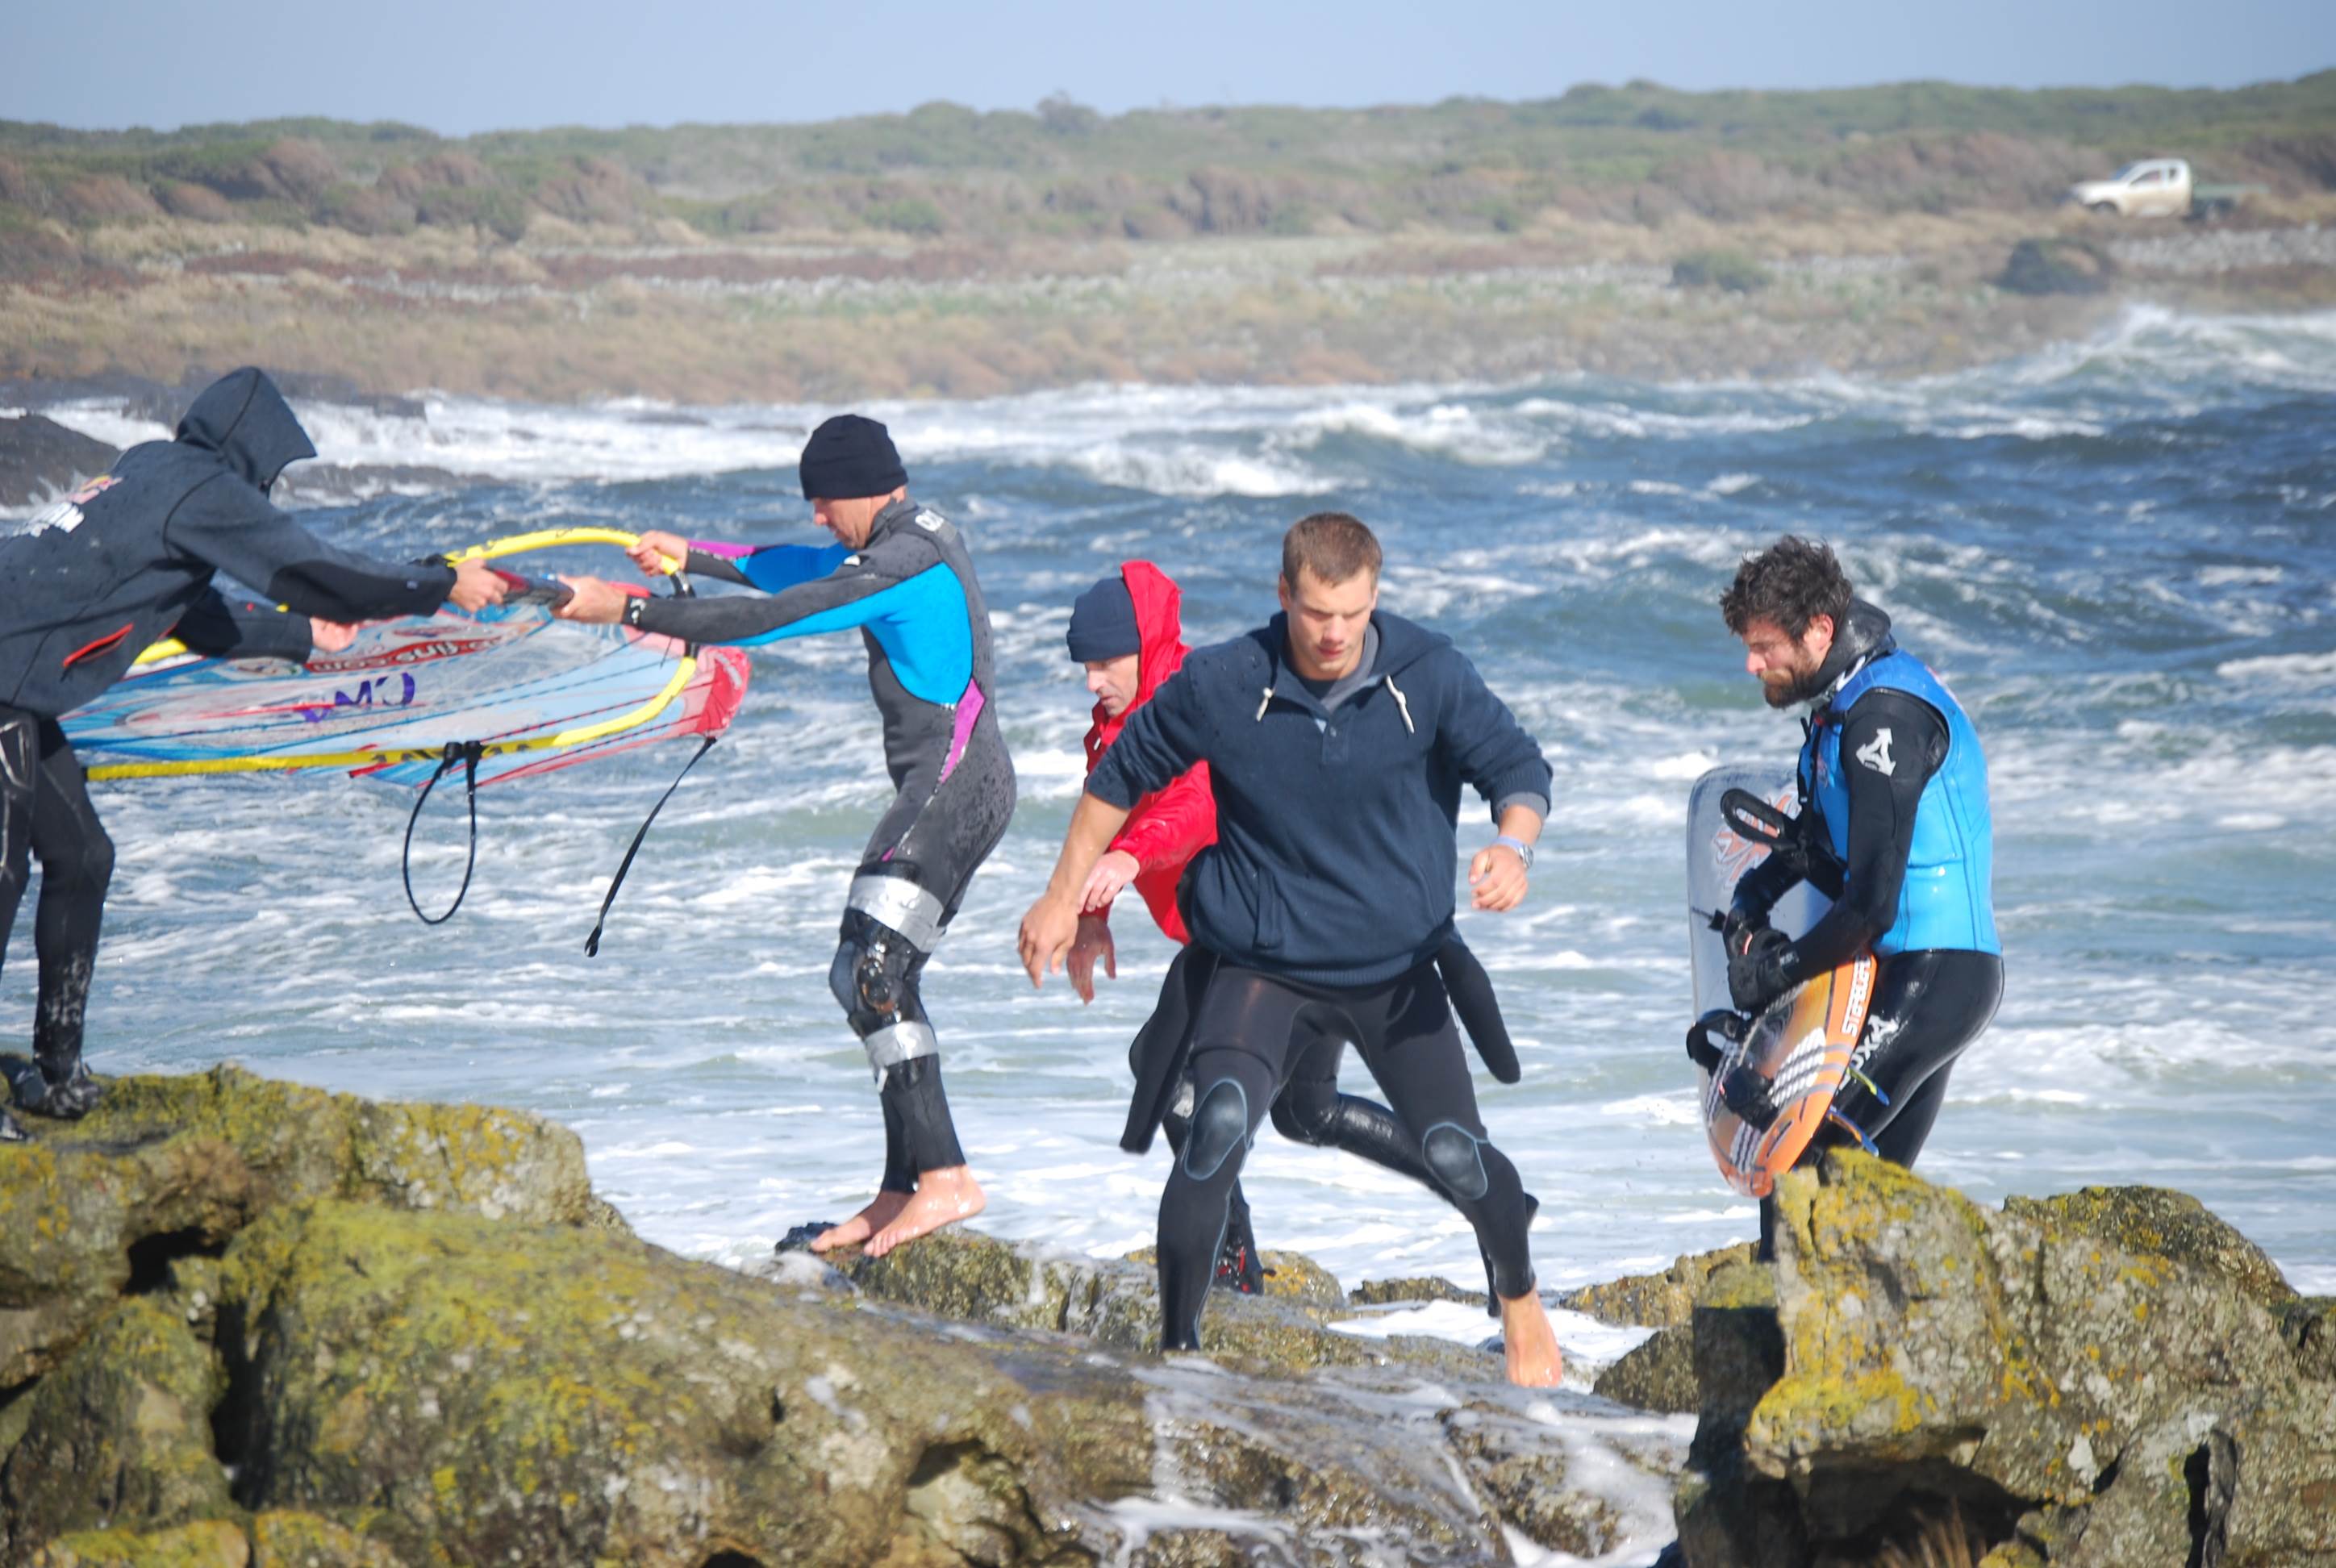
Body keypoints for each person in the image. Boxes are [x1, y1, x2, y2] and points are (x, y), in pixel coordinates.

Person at [1019, 512, 1565, 1387]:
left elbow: (1518, 766)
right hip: (1262, 964)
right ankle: (1179, 1360)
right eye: (1316, 612)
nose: (1334, 633)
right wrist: (1062, 898)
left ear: (1374, 597)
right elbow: (1119, 780)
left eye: (1351, 612)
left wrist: (1514, 845)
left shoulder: (1429, 677)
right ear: (1285, 596)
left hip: (1395, 971)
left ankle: (1521, 1299)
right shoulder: (1225, 682)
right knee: (1214, 1125)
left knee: (1458, 1152)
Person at [0, 367, 510, 1140]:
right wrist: (439, 584)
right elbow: (320, 571)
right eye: (274, 472)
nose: (272, 489)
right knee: (2, 871)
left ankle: (59, 1075)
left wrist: (302, 638)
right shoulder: (203, 488)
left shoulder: (151, 467)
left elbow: (189, 615)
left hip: (18, 688)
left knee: (84, 856)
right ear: (253, 453)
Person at [556, 415, 1013, 1258]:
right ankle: (903, 1186)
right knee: (864, 975)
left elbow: (792, 611)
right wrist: (688, 556)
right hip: (954, 786)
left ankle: (947, 1180)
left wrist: (628, 608)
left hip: (954, 788)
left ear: (866, 485)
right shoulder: (906, 534)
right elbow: (796, 566)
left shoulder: (906, 560)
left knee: (873, 972)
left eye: (822, 501)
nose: (816, 518)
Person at [1704, 535, 2004, 1256]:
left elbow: (1869, 906)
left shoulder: (1884, 720)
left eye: (1764, 646)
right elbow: (1820, 840)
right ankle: (1854, 1352)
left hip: (1937, 975)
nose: (1752, 664)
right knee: (1856, 1196)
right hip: (1896, 973)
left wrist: (1778, 973)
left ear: (1820, 632)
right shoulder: (1842, 701)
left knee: (1805, 1167)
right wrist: (1753, 894)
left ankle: (1788, 1358)